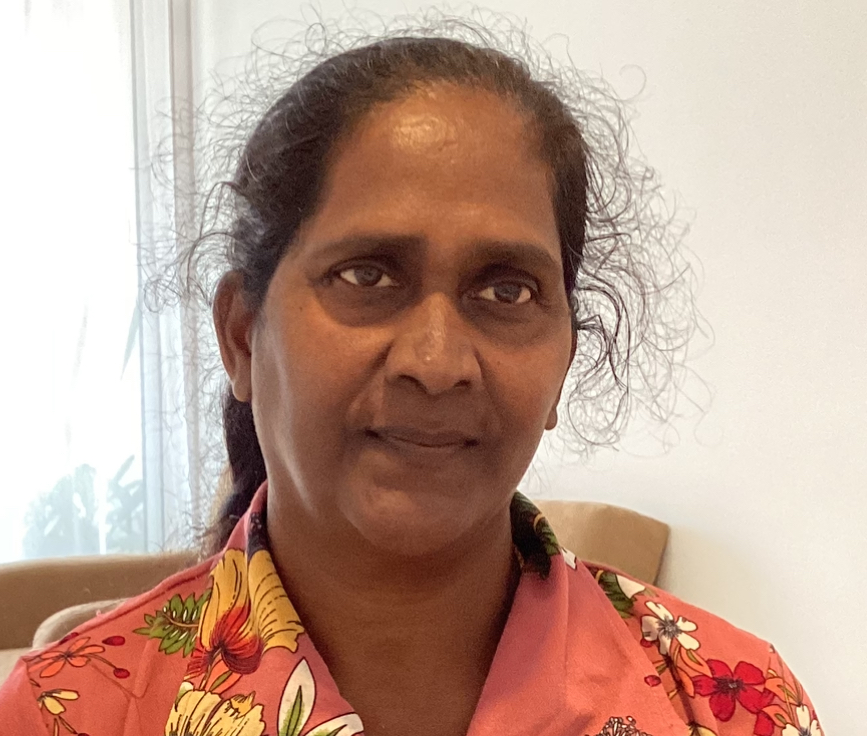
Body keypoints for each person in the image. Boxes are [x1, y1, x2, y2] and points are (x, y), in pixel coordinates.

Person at [0, 25, 821, 736]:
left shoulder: (730, 702)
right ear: (243, 335)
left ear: (564, 358)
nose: (435, 362)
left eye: (506, 291)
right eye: (367, 276)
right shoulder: (69, 713)